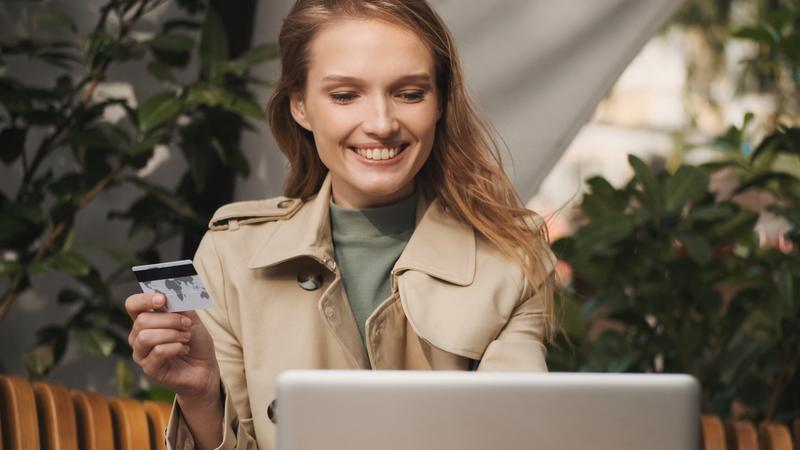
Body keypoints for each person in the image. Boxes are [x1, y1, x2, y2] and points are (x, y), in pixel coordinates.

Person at [125, 0, 556, 448]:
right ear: (300, 106)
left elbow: (517, 435)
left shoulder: (510, 260)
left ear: (441, 101)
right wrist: (200, 395)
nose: (382, 124)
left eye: (409, 93)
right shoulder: (231, 255)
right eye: (345, 95)